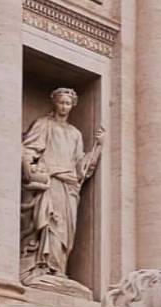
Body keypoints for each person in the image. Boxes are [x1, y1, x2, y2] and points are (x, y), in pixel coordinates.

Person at [20, 87, 103, 282]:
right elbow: (29, 149)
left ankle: (58, 270)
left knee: (65, 230)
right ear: (55, 103)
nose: (64, 106)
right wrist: (30, 168)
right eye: (61, 102)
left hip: (69, 185)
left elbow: (81, 164)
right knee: (50, 223)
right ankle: (42, 266)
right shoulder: (43, 124)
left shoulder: (75, 133)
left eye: (67, 103)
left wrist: (99, 146)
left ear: (72, 106)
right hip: (52, 181)